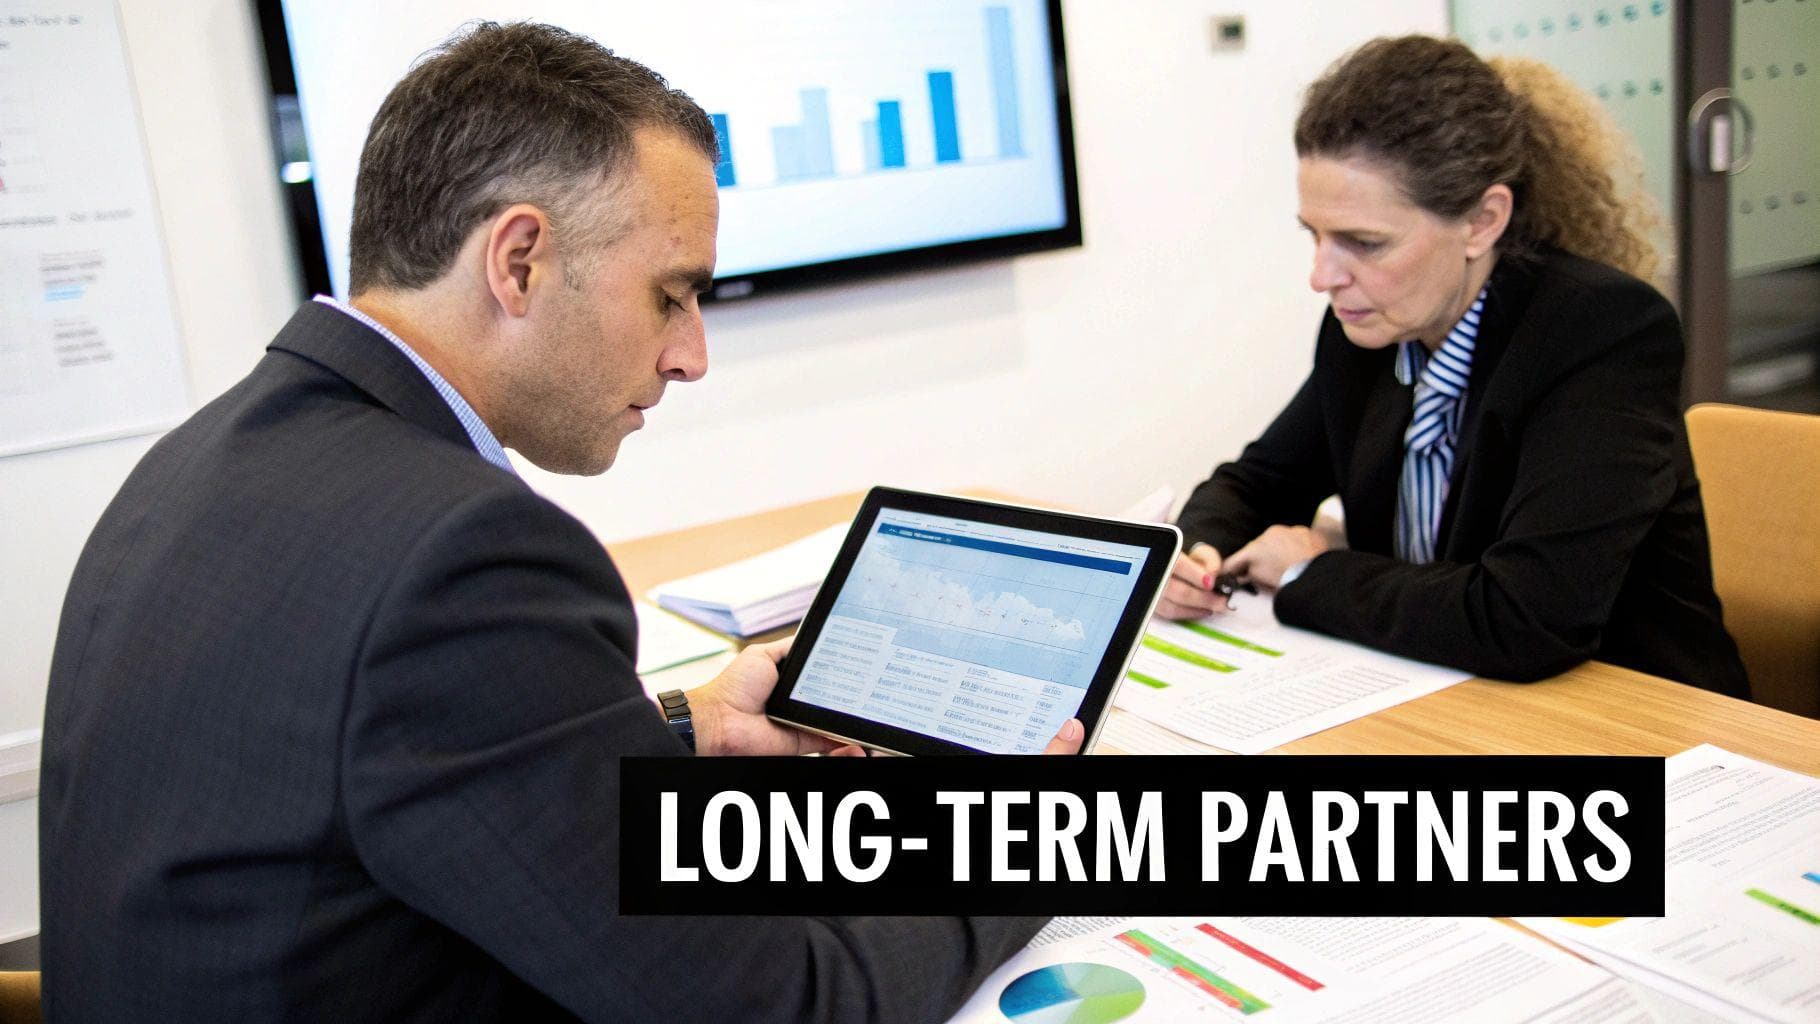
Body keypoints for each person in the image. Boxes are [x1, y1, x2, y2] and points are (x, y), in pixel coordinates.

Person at [39, 22, 1079, 1022]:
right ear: (520, 259)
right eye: (672, 296)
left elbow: (404, 784)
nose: (690, 356)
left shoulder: (202, 461)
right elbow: (778, 1002)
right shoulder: (460, 558)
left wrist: (677, 732)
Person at [1158, 36, 1749, 697]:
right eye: (1315, 235)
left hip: (1637, 719)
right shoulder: (1373, 329)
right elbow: (1257, 484)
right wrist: (1193, 553)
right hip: (1441, 689)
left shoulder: (1601, 333)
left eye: (1365, 242)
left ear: (1482, 221)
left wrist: (1311, 574)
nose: (1322, 277)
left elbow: (1526, 618)